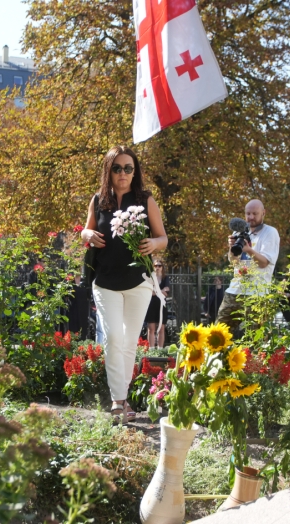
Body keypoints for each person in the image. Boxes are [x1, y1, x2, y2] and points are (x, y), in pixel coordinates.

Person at [80, 145, 168, 423]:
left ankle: (122, 398)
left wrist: (154, 243)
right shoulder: (98, 200)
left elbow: (162, 238)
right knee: (113, 338)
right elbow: (85, 230)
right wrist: (88, 234)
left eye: (128, 168)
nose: (123, 173)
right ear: (109, 170)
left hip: (138, 283)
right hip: (104, 282)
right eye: (117, 168)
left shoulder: (145, 199)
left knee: (130, 341)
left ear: (135, 171)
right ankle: (118, 401)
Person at [217, 199, 280, 332]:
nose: (251, 217)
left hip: (257, 294)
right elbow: (234, 262)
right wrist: (231, 248)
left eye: (255, 213)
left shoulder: (270, 232)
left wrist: (249, 250)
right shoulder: (237, 232)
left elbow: (264, 263)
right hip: (235, 291)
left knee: (255, 339)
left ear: (263, 213)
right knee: (218, 334)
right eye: (248, 213)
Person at [145, 260, 170, 348]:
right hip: (151, 304)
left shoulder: (165, 278)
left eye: (159, 266)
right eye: (155, 266)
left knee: (161, 328)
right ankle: (151, 349)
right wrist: (161, 291)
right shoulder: (150, 279)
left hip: (162, 305)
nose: (157, 268)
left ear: (162, 267)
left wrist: (156, 291)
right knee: (151, 328)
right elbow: (149, 293)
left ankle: (160, 349)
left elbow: (167, 291)